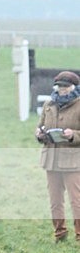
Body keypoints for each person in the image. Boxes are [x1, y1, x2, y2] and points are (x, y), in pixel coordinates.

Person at [35, 70, 80, 242]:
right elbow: (40, 126)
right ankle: (59, 233)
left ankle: (79, 235)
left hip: (73, 162)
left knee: (76, 201)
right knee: (55, 201)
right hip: (51, 160)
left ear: (74, 87)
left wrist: (72, 135)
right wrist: (39, 133)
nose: (62, 89)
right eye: (60, 86)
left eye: (66, 86)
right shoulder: (49, 104)